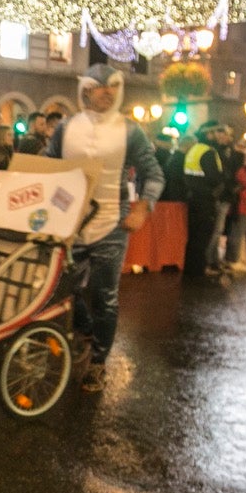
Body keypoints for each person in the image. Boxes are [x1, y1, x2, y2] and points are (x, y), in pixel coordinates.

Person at [45, 62, 164, 390]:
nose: (107, 92)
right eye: (100, 86)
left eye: (113, 86)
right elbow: (46, 169)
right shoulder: (65, 127)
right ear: (85, 89)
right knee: (62, 287)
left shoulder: (130, 130)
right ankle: (85, 330)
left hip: (112, 223)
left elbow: (153, 173)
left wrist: (142, 207)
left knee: (105, 296)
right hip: (69, 223)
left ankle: (98, 362)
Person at [182, 120, 237, 278]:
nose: (217, 136)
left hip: (193, 197)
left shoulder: (194, 149)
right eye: (215, 133)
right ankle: (199, 271)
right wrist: (223, 180)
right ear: (208, 134)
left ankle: (190, 270)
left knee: (193, 238)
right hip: (206, 199)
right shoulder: (209, 152)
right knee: (203, 237)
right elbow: (215, 177)